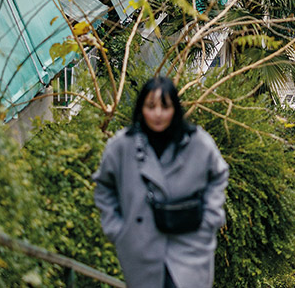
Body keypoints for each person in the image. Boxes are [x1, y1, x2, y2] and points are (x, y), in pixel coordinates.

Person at [94, 76, 229, 288]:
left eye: (165, 107)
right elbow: (103, 185)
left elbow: (219, 175)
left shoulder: (197, 142)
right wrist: (117, 229)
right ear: (141, 108)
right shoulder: (122, 145)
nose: (158, 114)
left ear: (175, 108)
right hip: (140, 248)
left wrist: (210, 219)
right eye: (151, 106)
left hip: (190, 244)